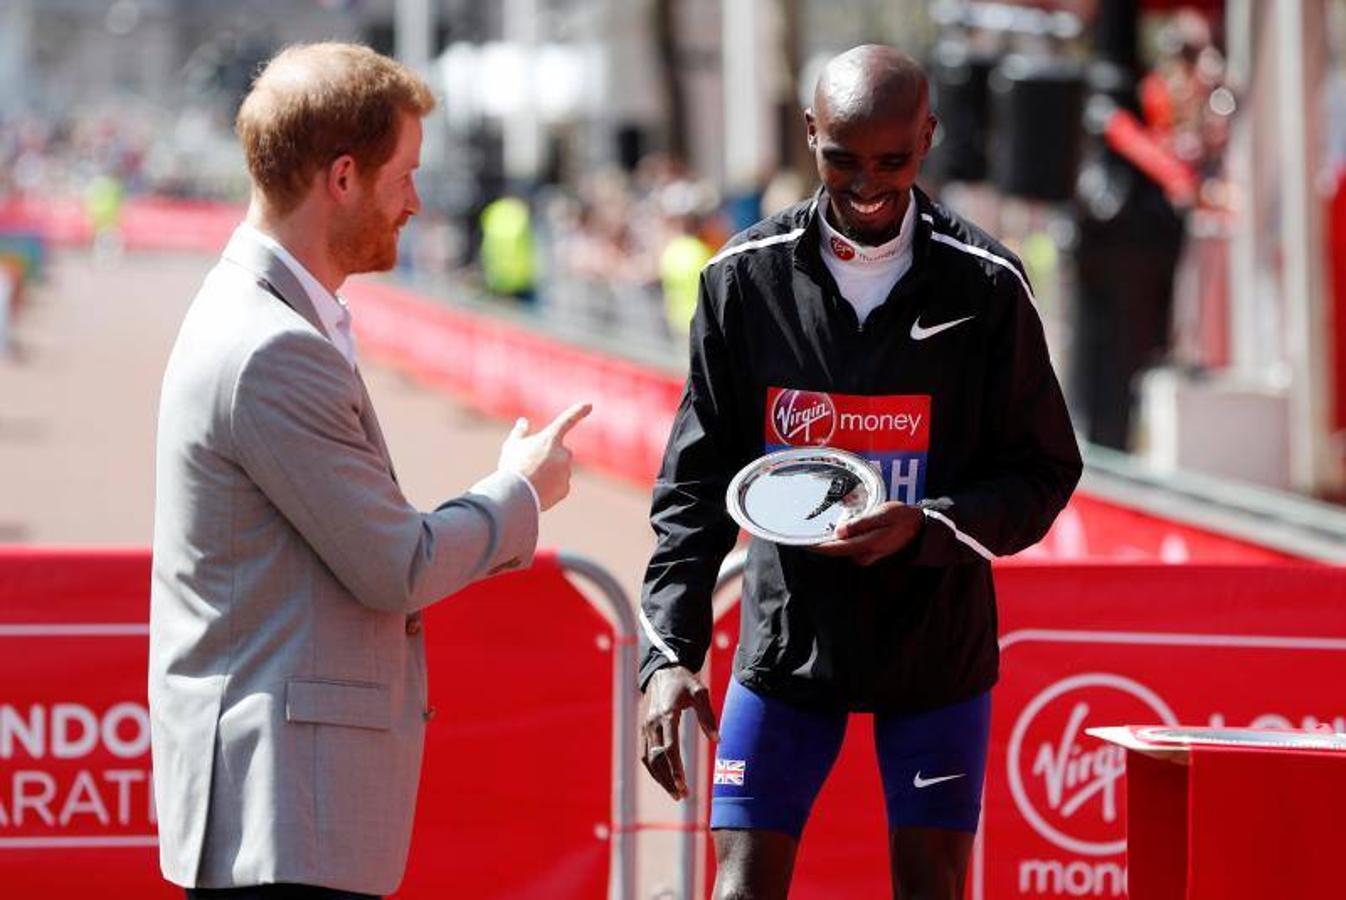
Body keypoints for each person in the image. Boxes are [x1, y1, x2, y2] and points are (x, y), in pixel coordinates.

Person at [637, 45, 1080, 899]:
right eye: (842, 157)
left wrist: (932, 524)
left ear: (929, 136)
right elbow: (693, 485)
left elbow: (1045, 469)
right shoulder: (742, 279)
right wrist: (667, 654)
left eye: (894, 159)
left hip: (935, 652)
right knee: (739, 889)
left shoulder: (988, 285)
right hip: (787, 645)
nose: (868, 184)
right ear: (809, 134)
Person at [149, 43, 589, 900]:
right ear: (343, 178)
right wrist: (522, 491)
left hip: (281, 807)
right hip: (285, 817)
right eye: (405, 175)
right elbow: (398, 565)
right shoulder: (272, 346)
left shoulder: (261, 314)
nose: (417, 203)